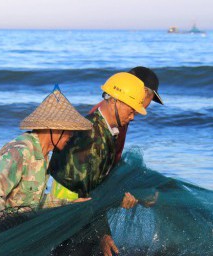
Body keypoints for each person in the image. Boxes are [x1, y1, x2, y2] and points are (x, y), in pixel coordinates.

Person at [48, 71, 155, 256]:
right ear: (115, 101)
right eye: (131, 111)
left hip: (78, 214)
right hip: (71, 216)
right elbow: (87, 194)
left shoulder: (105, 131)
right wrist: (104, 234)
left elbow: (97, 185)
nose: (132, 118)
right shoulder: (92, 137)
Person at [0, 86, 92, 236]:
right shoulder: (20, 152)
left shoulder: (44, 156)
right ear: (54, 129)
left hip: (18, 231)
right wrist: (3, 226)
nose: (72, 136)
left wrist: (68, 204)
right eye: (69, 130)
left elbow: (34, 200)